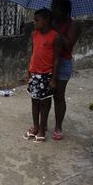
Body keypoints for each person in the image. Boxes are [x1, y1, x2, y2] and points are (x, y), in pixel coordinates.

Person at [24, 9, 62, 142]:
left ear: (46, 21)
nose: (35, 23)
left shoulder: (55, 36)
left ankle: (42, 128)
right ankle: (35, 126)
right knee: (34, 100)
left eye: (37, 20)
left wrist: (54, 78)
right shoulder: (34, 34)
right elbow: (33, 52)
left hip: (46, 74)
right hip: (34, 72)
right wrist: (29, 71)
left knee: (45, 102)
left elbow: (57, 59)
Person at [51, 0, 80, 140]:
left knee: (59, 95)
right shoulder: (52, 22)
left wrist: (56, 31)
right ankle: (43, 123)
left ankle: (58, 126)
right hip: (49, 61)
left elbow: (69, 45)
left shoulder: (73, 24)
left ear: (64, 10)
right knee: (46, 94)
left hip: (63, 62)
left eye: (55, 8)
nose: (53, 11)